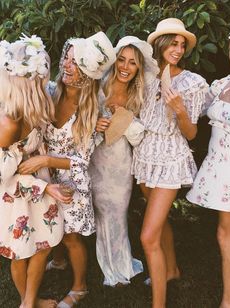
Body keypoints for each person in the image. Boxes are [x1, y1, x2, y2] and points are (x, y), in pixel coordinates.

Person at [18, 32, 116, 307]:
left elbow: (81, 161)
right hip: (44, 177)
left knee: (71, 237)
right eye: (66, 58)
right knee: (48, 227)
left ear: (86, 72)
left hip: (72, 181)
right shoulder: (51, 91)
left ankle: (80, 287)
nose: (66, 66)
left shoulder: (89, 109)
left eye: (74, 63)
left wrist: (45, 161)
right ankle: (58, 261)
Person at [131, 18, 208, 307]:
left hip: (170, 158)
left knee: (148, 237)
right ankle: (172, 270)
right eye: (173, 43)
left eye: (182, 45)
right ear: (159, 44)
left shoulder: (192, 83)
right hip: (145, 156)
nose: (178, 49)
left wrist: (180, 111)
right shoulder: (147, 79)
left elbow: (191, 134)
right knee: (159, 222)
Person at [0, 35, 70, 308]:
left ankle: (29, 302)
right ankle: (27, 303)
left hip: (40, 183)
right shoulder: (8, 122)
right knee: (20, 253)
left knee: (43, 246)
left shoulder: (39, 101)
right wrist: (44, 187)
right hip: (18, 194)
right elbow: (4, 176)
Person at [89, 36, 159, 286]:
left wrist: (128, 121)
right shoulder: (98, 86)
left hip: (120, 164)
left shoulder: (138, 95)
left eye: (132, 62)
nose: (125, 67)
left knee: (116, 214)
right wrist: (95, 124)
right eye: (121, 59)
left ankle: (119, 268)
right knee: (99, 213)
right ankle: (106, 263)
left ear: (139, 67)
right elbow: (81, 121)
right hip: (94, 161)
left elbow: (140, 137)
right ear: (114, 60)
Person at [186, 22, 230, 308]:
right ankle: (228, 302)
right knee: (224, 234)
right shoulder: (221, 85)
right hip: (222, 172)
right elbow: (194, 106)